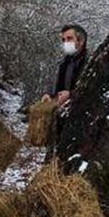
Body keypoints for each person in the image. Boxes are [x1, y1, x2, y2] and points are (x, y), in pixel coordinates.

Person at [41, 24, 88, 162]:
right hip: (58, 118)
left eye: (69, 38)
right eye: (63, 40)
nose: (66, 43)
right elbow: (54, 84)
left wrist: (71, 95)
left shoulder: (90, 62)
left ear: (81, 40)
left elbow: (91, 90)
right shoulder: (63, 62)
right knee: (52, 157)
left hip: (78, 121)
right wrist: (48, 94)